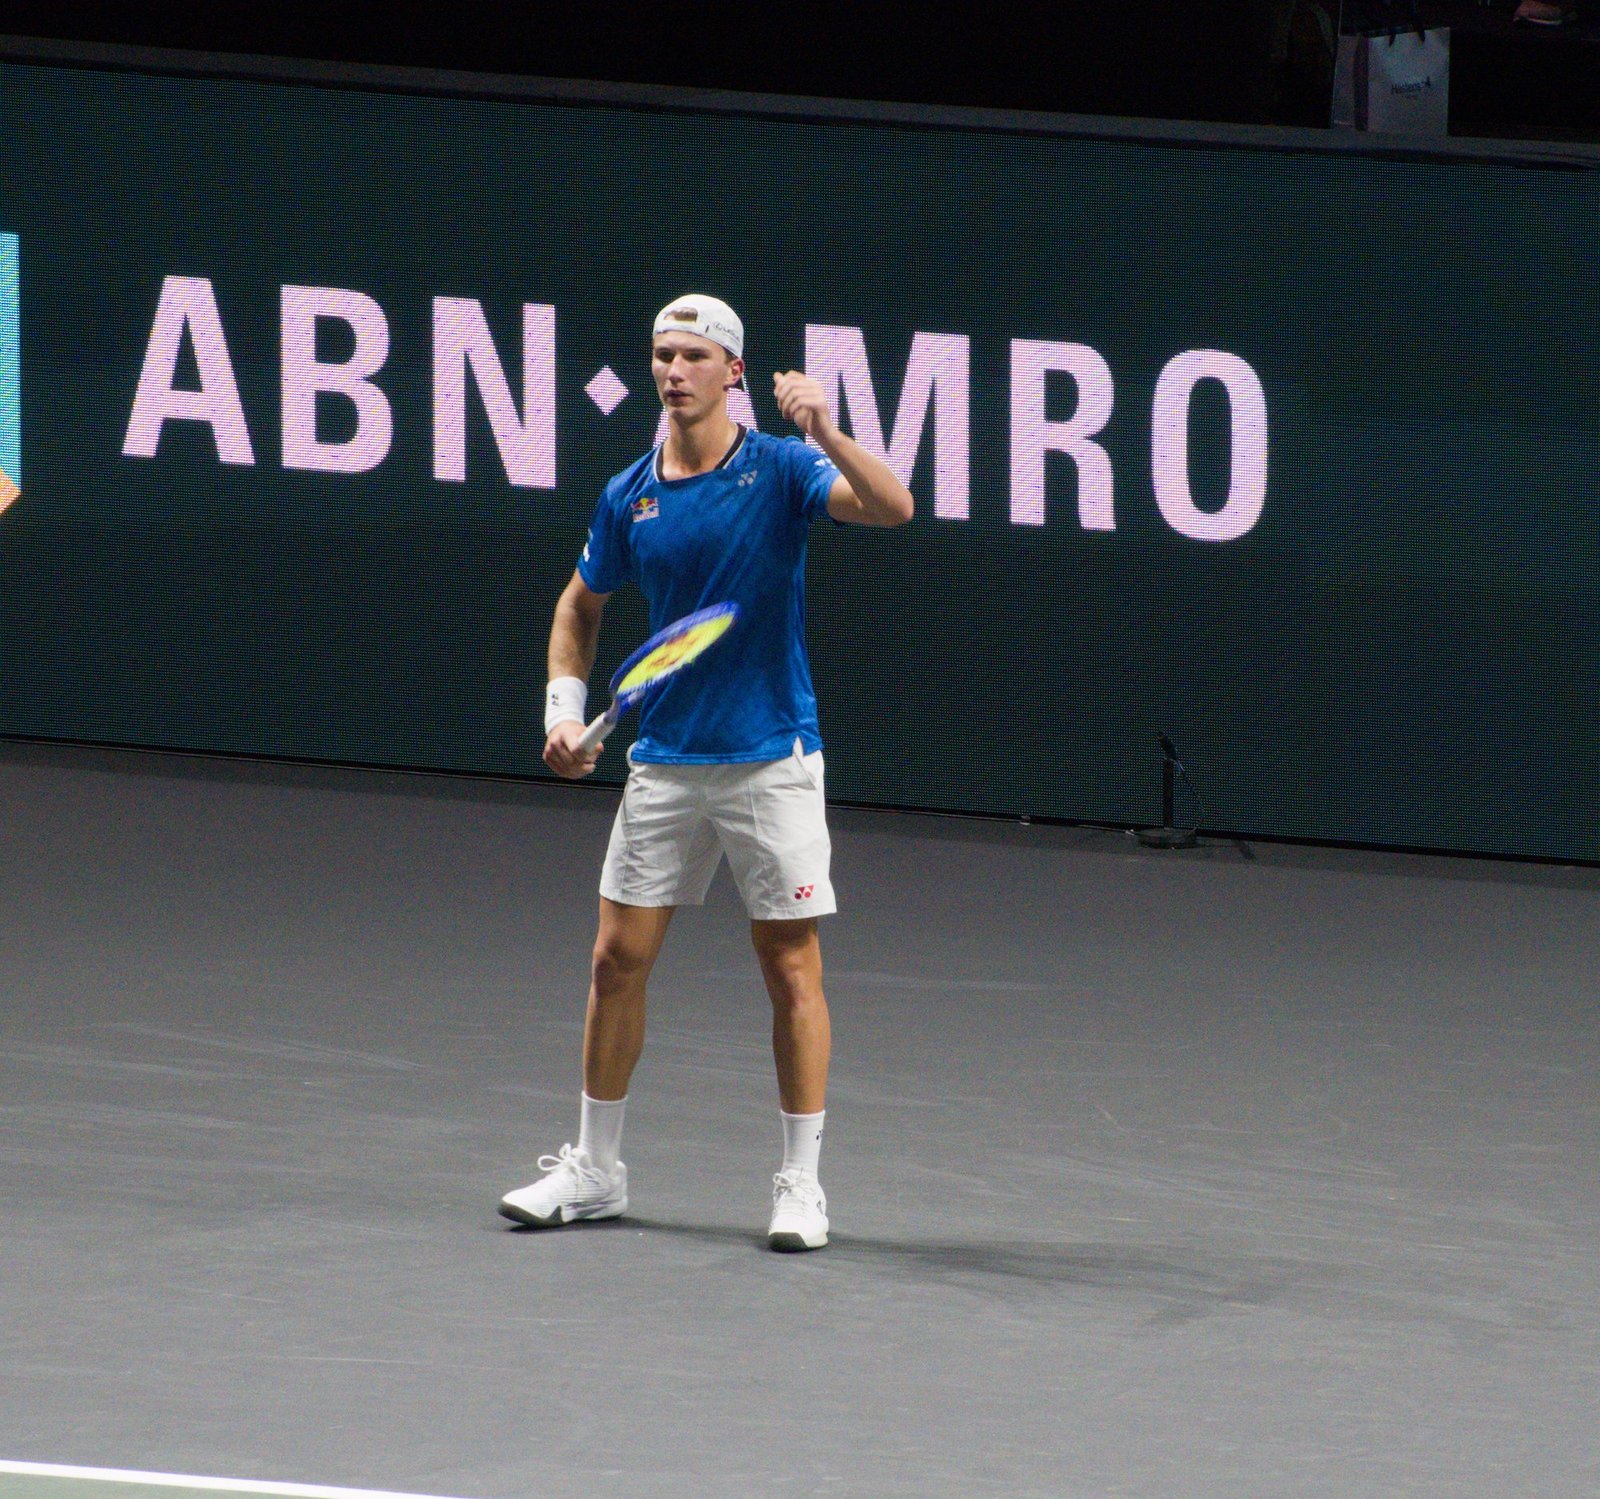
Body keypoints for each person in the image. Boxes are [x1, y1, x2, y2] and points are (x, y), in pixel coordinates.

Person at [499, 294, 914, 1251]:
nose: (673, 371)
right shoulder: (628, 493)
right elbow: (578, 606)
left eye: (693, 355)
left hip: (772, 758)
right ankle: (596, 1170)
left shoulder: (782, 467)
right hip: (665, 765)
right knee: (615, 962)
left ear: (734, 371)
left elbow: (893, 508)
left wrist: (827, 426)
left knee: (790, 968)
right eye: (660, 355)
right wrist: (564, 711)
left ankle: (800, 1185)